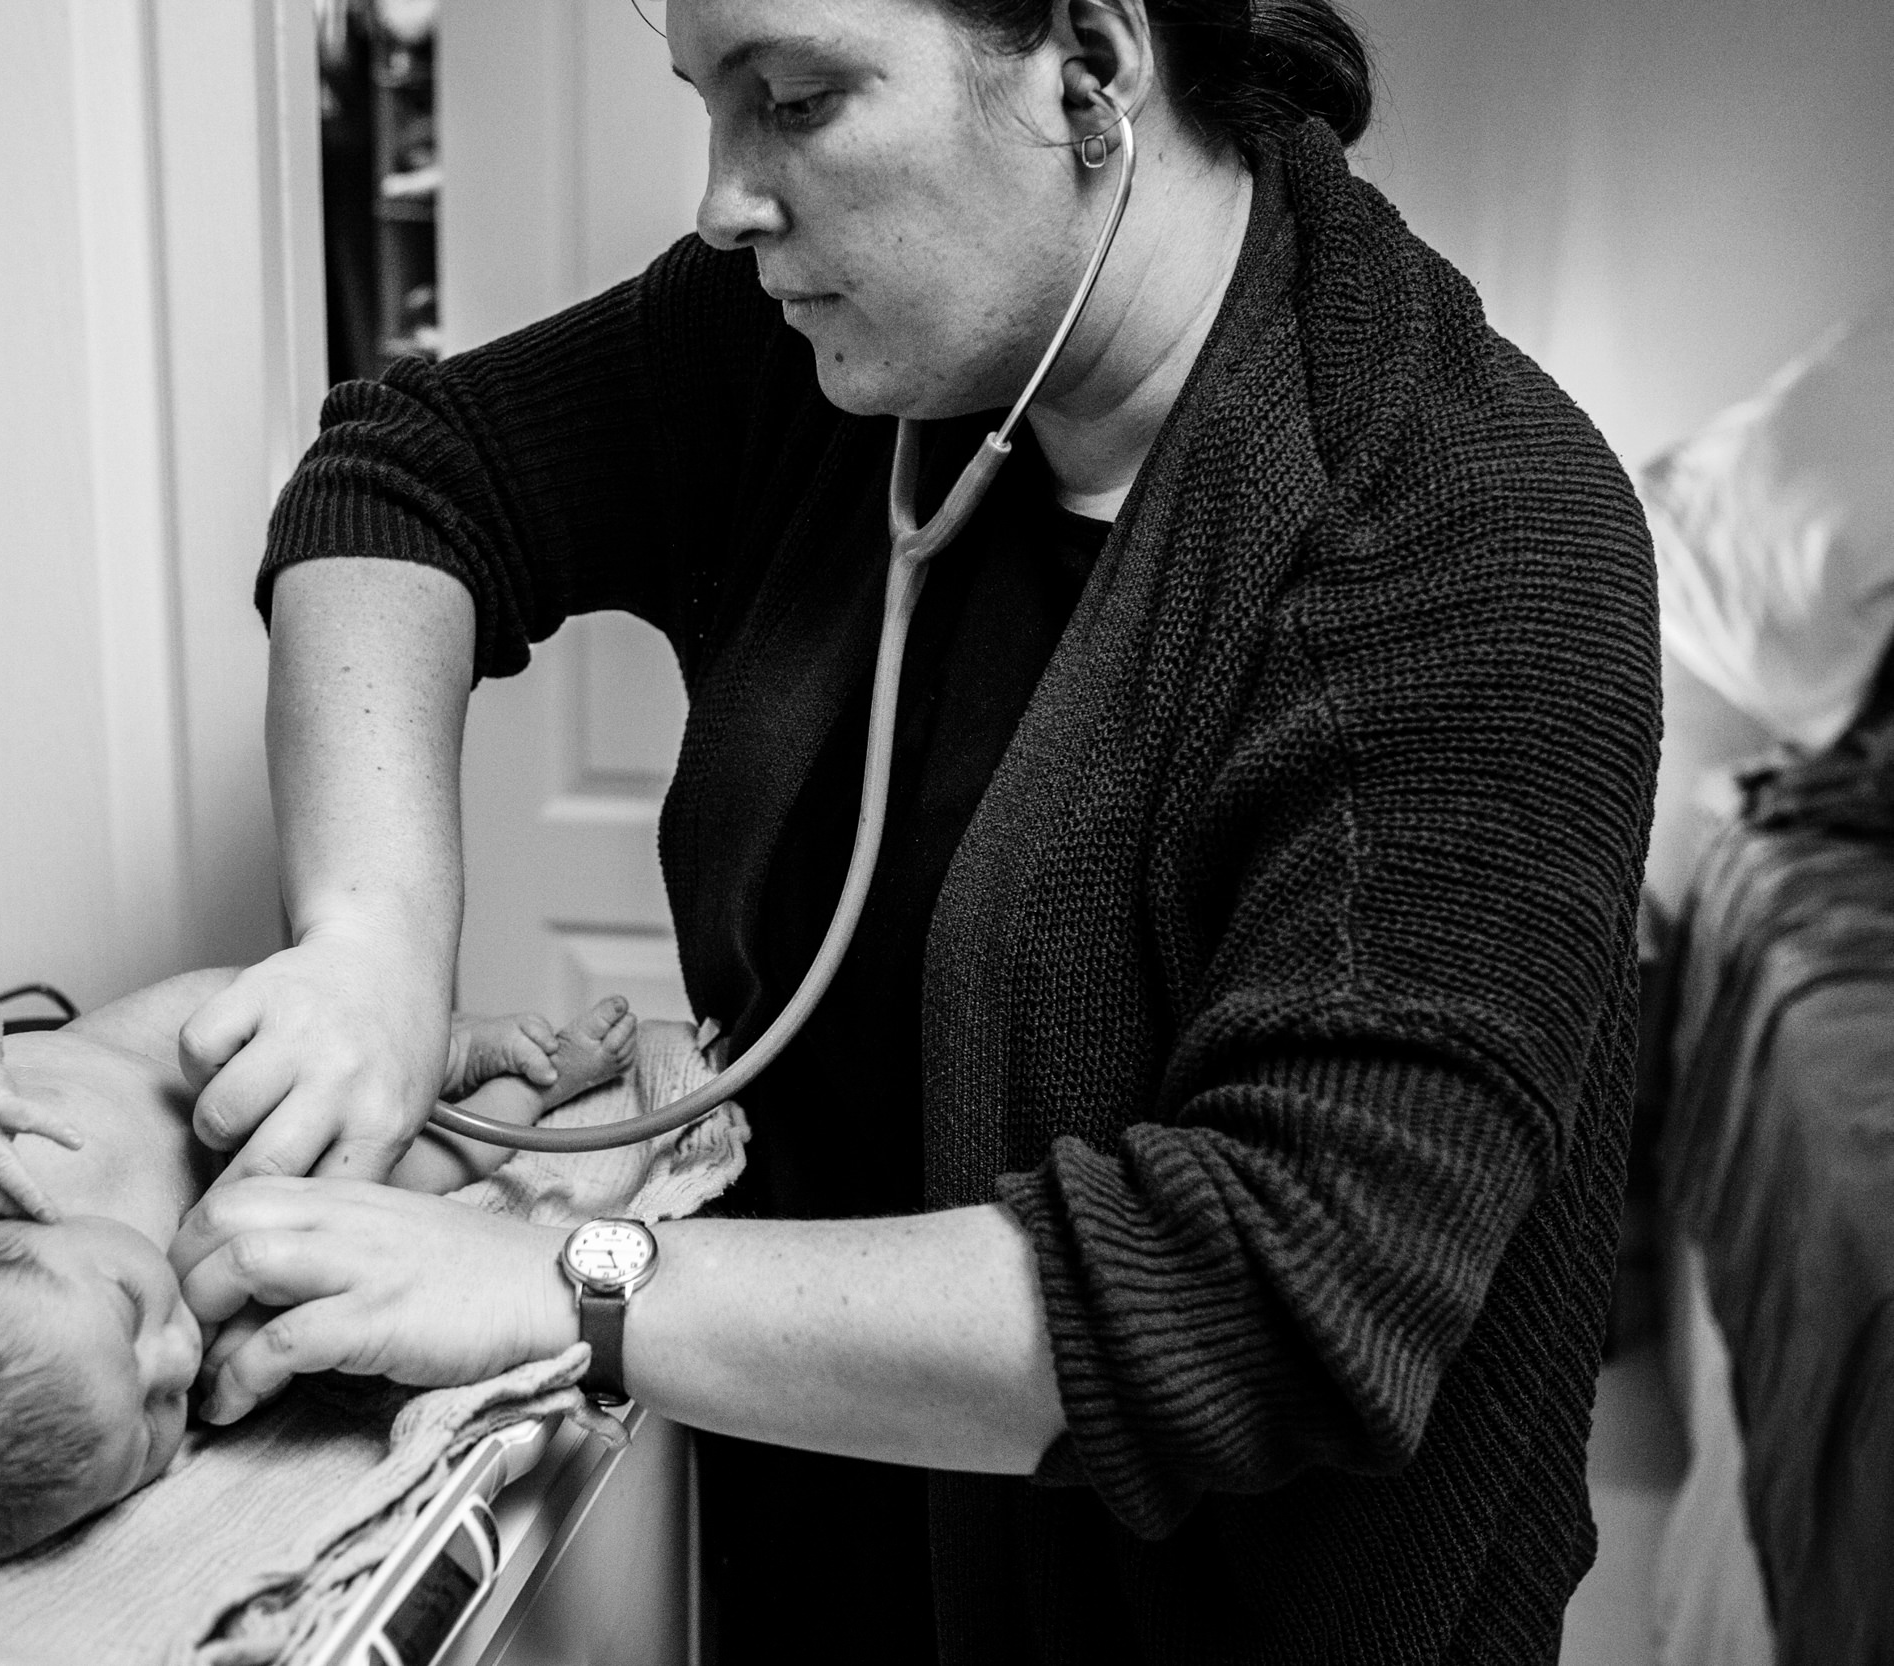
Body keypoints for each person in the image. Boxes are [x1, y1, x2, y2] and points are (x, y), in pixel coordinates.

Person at [159, 0, 1663, 1660]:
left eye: (797, 103)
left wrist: (568, 1287)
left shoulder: (1470, 531)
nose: (727, 197)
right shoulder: (812, 350)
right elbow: (409, 478)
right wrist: (369, 940)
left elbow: (1275, 1307)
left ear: (1088, 66)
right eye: (705, 102)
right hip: (834, 1551)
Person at [0, 956, 638, 1589]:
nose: (175, 1354)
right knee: (406, 1187)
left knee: (293, 1020)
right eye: (150, 1434)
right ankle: (535, 1087)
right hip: (284, 1176)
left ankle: (451, 1043)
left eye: (128, 1310)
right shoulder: (168, 1347)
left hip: (188, 1048)